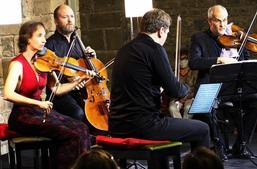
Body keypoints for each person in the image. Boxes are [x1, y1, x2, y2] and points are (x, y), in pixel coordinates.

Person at [109, 8, 210, 155]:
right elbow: (175, 90)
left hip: (117, 126)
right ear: (161, 30)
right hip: (144, 126)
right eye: (167, 33)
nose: (165, 38)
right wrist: (186, 89)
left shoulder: (124, 50)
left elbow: (137, 84)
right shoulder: (155, 49)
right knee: (202, 129)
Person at [189, 4, 257, 160]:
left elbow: (247, 66)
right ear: (210, 21)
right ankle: (219, 147)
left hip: (233, 89)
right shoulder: (199, 38)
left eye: (225, 20)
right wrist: (218, 60)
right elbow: (194, 62)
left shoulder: (237, 39)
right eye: (218, 21)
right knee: (206, 105)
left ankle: (240, 145)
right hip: (211, 88)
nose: (223, 24)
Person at [4, 21, 91, 169]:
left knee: (82, 128)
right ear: (27, 39)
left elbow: (57, 89)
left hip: (39, 112)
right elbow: (8, 93)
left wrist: (78, 81)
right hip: (22, 116)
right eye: (39, 36)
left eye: (44, 35)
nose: (44, 39)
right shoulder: (17, 64)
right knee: (72, 134)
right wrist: (38, 103)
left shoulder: (43, 62)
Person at [45, 4, 107, 128]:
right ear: (56, 21)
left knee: (105, 112)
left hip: (84, 92)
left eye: (72, 16)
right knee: (79, 113)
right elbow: (53, 80)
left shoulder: (78, 41)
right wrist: (72, 80)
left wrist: (92, 58)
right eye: (65, 17)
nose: (70, 20)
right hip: (62, 95)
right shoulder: (50, 45)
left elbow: (87, 69)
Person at [168, 49, 198, 119]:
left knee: (188, 108)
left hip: (190, 97)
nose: (182, 61)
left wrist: (186, 97)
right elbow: (171, 87)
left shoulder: (194, 72)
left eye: (184, 58)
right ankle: (181, 126)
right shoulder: (174, 72)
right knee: (172, 108)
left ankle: (185, 126)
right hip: (177, 98)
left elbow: (196, 88)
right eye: (179, 59)